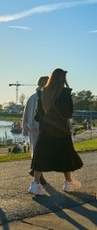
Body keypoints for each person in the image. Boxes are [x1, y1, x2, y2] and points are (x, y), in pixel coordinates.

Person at [28, 68, 83, 196]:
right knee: (65, 154)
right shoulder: (64, 92)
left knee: (40, 155)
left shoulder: (43, 92)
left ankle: (36, 184)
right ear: (61, 79)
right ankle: (68, 183)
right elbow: (68, 113)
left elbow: (38, 115)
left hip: (46, 129)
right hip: (61, 129)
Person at [22, 76, 49, 185]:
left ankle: (38, 173)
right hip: (42, 128)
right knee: (42, 151)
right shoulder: (45, 96)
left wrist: (25, 126)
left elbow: (25, 113)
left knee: (35, 149)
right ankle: (37, 172)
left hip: (32, 127)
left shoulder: (31, 97)